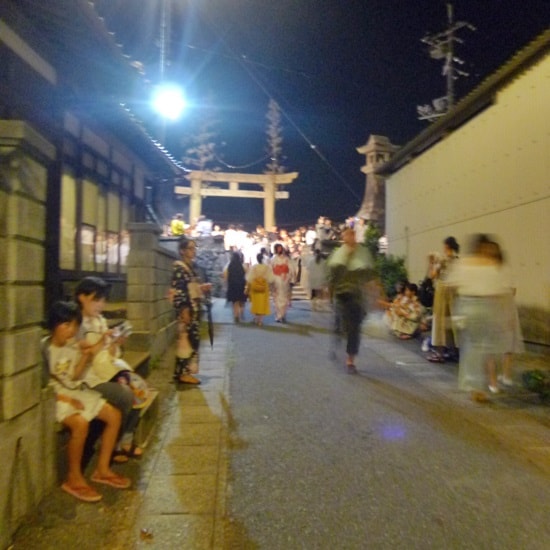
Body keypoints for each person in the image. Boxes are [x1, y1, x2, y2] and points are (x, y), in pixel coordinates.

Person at [43, 301, 131, 502]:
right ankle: (73, 477)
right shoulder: (46, 349)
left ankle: (102, 469)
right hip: (58, 397)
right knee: (80, 424)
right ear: (54, 325)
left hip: (76, 391)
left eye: (74, 325)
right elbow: (46, 385)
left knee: (114, 415)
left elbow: (74, 375)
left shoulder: (72, 343)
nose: (71, 330)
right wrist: (68, 399)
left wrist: (88, 353)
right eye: (66, 325)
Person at [75, 277, 143, 460]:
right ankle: (114, 445)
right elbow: (85, 354)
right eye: (96, 300)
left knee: (139, 388)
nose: (100, 305)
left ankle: (125, 441)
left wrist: (115, 342)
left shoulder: (100, 320)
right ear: (82, 297)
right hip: (88, 377)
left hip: (106, 369)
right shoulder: (75, 324)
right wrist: (102, 340)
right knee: (125, 394)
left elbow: (110, 353)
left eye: (103, 300)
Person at [447, 235, 515, 401]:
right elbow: (503, 291)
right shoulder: (492, 264)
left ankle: (475, 385)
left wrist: (457, 306)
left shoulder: (463, 263)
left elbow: (451, 285)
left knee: (473, 346)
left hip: (468, 306)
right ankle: (479, 386)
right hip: (487, 308)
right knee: (482, 347)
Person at [327, 227, 375, 373]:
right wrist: (329, 295)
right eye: (346, 236)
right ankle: (338, 340)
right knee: (340, 324)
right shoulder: (339, 254)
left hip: (356, 296)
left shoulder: (363, 253)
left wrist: (375, 293)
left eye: (351, 235)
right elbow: (332, 278)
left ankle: (350, 360)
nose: (349, 238)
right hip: (341, 295)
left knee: (354, 328)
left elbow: (369, 275)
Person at [170, 236, 212, 384]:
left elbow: (190, 289)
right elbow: (180, 290)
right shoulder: (180, 268)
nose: (193, 251)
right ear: (182, 251)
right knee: (186, 340)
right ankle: (183, 372)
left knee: (190, 339)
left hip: (193, 307)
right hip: (187, 309)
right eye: (190, 248)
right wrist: (183, 309)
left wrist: (201, 288)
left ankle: (184, 371)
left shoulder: (189, 267)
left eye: (194, 248)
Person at [427, 236, 460, 363]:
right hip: (455, 293)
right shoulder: (458, 261)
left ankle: (439, 353)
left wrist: (431, 262)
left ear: (446, 246)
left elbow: (432, 276)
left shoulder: (442, 260)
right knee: (453, 323)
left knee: (439, 322)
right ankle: (456, 351)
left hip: (442, 292)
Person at [246, 252, 275, 326]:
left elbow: (249, 278)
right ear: (262, 259)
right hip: (264, 287)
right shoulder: (267, 267)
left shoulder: (254, 267)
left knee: (256, 303)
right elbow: (271, 278)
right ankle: (260, 321)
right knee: (263, 304)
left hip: (255, 287)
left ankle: (256, 318)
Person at [271, 243, 292, 323]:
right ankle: (278, 315)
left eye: (280, 248)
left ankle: (283, 315)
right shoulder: (273, 259)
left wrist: (287, 275)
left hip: (284, 279)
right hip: (276, 279)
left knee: (284, 298)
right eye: (278, 248)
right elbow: (271, 269)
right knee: (277, 299)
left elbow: (290, 269)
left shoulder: (286, 258)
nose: (280, 250)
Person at [224, 251, 247, 323]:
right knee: (241, 301)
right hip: (241, 285)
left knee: (235, 302)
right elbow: (246, 275)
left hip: (232, 285)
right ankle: (241, 312)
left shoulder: (229, 266)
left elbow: (225, 275)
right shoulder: (242, 265)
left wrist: (226, 284)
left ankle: (236, 315)